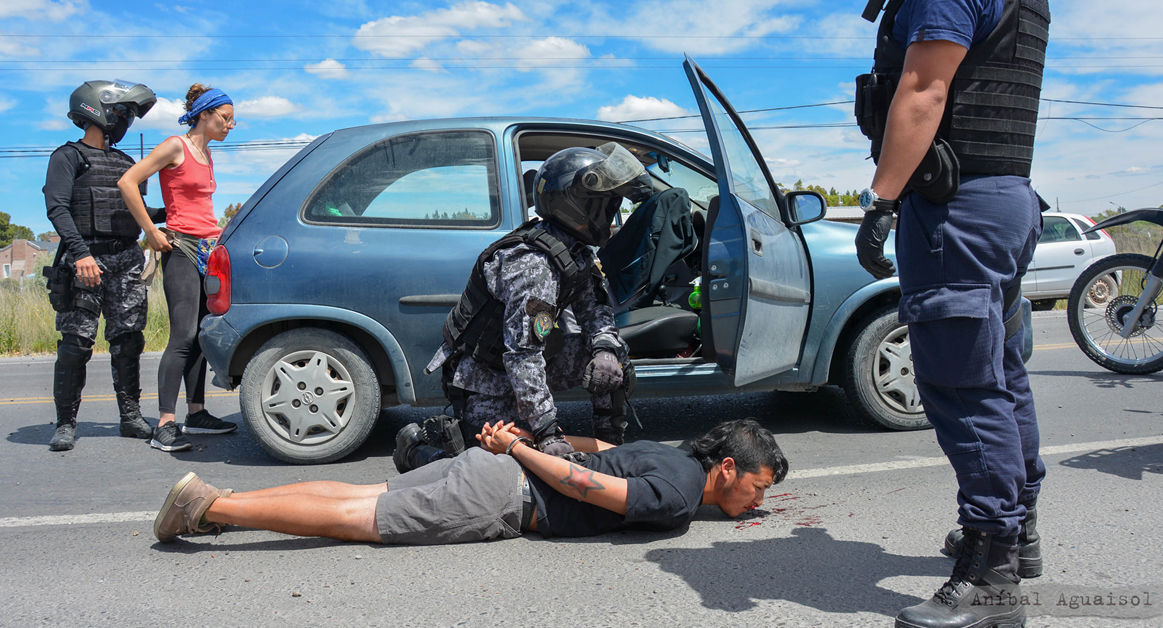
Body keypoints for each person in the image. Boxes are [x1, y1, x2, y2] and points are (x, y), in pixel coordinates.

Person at [852, 0, 1050, 628]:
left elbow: (924, 93)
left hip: (956, 208)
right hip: (1006, 198)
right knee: (1001, 374)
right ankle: (1018, 529)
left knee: (963, 388)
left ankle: (992, 575)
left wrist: (881, 198)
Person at [153, 417, 787, 545]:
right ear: (725, 468)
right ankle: (215, 511)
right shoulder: (678, 495)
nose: (756, 501)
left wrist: (523, 445)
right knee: (362, 521)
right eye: (756, 488)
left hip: (496, 470)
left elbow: (600, 449)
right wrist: (521, 447)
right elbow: (589, 486)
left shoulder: (670, 455)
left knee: (362, 495)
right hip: (503, 494)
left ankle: (215, 502)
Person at [422, 143, 653, 457]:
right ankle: (420, 449)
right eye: (606, 209)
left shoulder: (573, 251)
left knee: (613, 356)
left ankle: (610, 448)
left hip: (527, 365)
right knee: (512, 467)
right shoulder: (534, 265)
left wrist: (604, 348)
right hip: (487, 381)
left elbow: (595, 309)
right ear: (577, 206)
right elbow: (522, 357)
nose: (611, 217)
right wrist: (547, 433)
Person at [119, 85, 238, 453]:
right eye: (225, 118)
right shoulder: (176, 146)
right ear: (204, 114)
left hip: (207, 249)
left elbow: (201, 208)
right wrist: (150, 231)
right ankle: (164, 425)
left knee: (201, 334)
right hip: (181, 248)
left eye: (233, 120)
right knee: (183, 336)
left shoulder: (206, 154)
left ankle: (197, 413)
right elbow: (127, 182)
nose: (230, 125)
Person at [42, 80, 161, 451]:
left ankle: (130, 416)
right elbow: (57, 208)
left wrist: (177, 214)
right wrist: (80, 254)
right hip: (85, 259)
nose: (126, 119)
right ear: (99, 110)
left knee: (128, 340)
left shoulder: (126, 163)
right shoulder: (68, 156)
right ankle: (65, 423)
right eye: (123, 112)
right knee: (76, 343)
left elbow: (138, 211)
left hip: (126, 257)